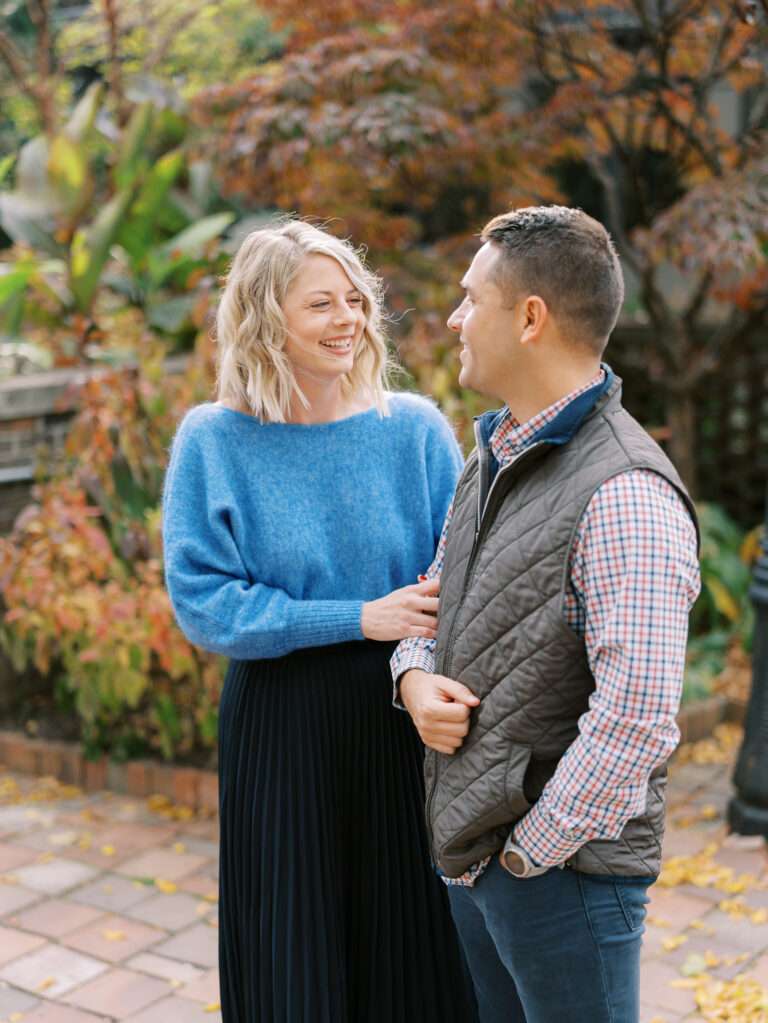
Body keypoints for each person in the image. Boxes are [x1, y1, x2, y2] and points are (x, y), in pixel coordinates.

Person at [391, 205, 701, 1023]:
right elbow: (433, 597)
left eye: (470, 299)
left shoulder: (626, 493)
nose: (455, 318)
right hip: (483, 860)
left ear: (530, 317)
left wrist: (530, 853)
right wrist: (414, 678)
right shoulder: (489, 454)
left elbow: (636, 717)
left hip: (563, 879)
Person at [162, 220, 476, 1022]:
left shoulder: (412, 431)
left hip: (401, 710)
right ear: (267, 318)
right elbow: (206, 600)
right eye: (321, 305)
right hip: (281, 722)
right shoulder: (214, 440)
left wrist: (407, 655)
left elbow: (460, 576)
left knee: (414, 944)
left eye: (355, 301)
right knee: (291, 956)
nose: (349, 319)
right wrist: (356, 616)